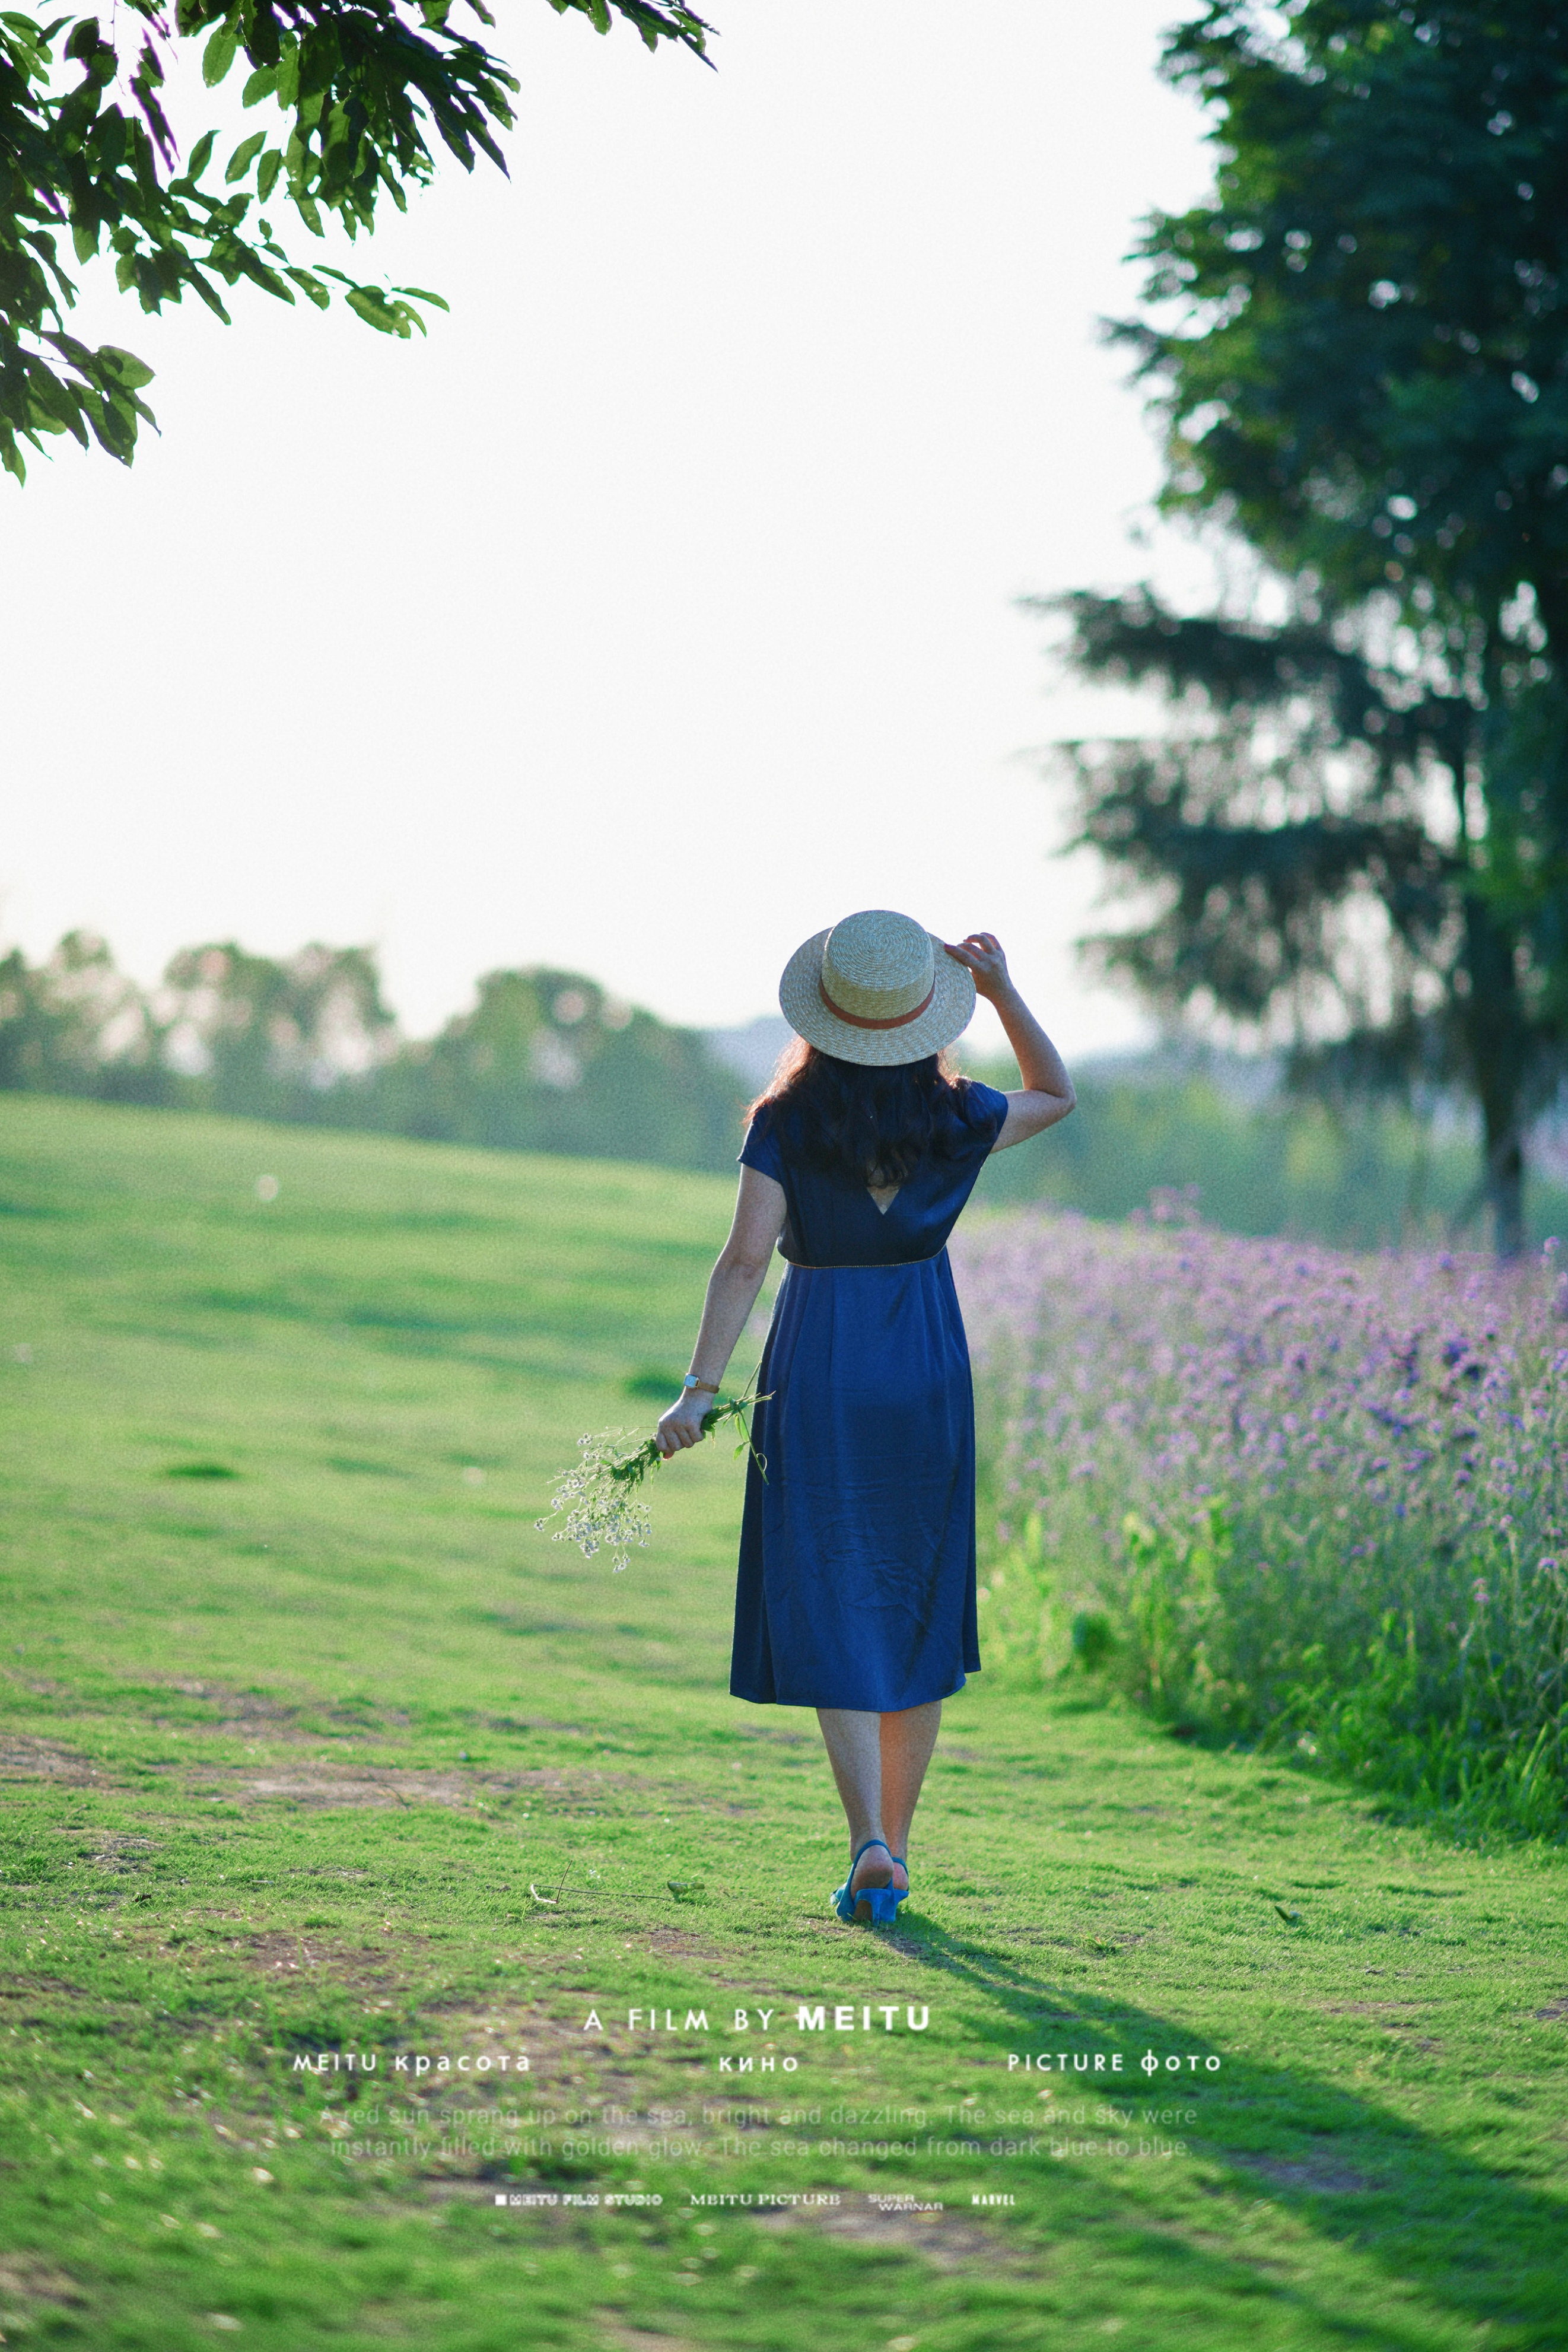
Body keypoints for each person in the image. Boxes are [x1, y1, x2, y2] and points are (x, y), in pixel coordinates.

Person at [655, 910, 1074, 1924]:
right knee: (912, 1591)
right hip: (925, 1355)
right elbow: (1057, 1094)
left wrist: (700, 1393)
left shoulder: (784, 1123)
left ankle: (869, 1844)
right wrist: (1005, 992)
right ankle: (896, 1847)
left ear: (825, 1014)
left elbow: (746, 1260)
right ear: (926, 1019)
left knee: (834, 1584)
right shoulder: (961, 1113)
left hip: (824, 1359)